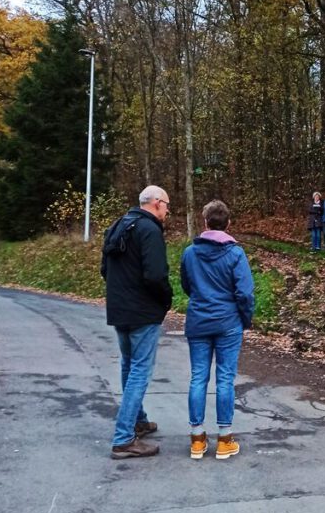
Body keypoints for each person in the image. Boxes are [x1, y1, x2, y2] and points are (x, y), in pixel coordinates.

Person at [102, 185, 173, 459]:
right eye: (166, 205)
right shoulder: (149, 230)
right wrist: (166, 300)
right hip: (142, 312)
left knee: (129, 365)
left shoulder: (119, 225)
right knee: (139, 371)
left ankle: (138, 421)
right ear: (156, 203)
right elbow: (156, 275)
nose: (167, 210)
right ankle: (123, 438)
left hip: (119, 309)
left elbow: (105, 269)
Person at [180, 200, 255, 461]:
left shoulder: (190, 253)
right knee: (225, 378)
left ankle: (197, 439)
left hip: (199, 321)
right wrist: (245, 319)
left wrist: (202, 298)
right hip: (227, 323)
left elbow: (186, 286)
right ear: (228, 223)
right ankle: (225, 439)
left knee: (198, 377)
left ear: (205, 222)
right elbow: (244, 292)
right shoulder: (236, 254)